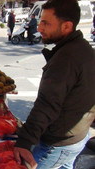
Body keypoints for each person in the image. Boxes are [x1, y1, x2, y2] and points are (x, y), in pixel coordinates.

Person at [13, 0, 95, 169]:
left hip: (58, 144)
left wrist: (24, 142)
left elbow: (47, 104)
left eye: (46, 23)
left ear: (66, 26)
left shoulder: (66, 59)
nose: (39, 28)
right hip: (77, 137)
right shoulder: (84, 48)